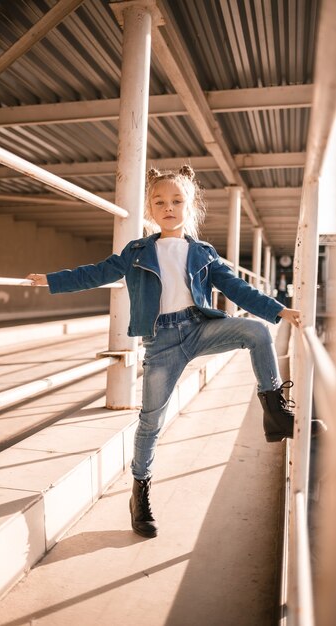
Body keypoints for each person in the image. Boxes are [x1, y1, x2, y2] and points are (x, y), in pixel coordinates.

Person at [27, 165, 301, 539]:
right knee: (151, 421)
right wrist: (53, 280)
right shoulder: (138, 250)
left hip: (200, 327)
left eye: (177, 201)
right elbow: (98, 272)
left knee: (256, 330)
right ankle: (140, 494)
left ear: (191, 206)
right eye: (160, 202)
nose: (168, 207)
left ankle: (274, 412)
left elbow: (237, 288)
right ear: (149, 210)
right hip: (162, 342)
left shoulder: (202, 252)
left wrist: (278, 310)